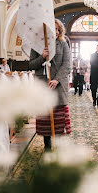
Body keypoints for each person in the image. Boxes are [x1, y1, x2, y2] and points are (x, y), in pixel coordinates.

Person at [28, 19, 72, 151]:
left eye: (58, 29)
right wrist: (42, 56)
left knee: (59, 120)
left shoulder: (63, 44)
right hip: (43, 85)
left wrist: (57, 79)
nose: (56, 31)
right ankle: (47, 146)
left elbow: (67, 64)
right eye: (54, 29)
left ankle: (58, 147)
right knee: (45, 119)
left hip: (58, 86)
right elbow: (31, 65)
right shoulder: (36, 45)